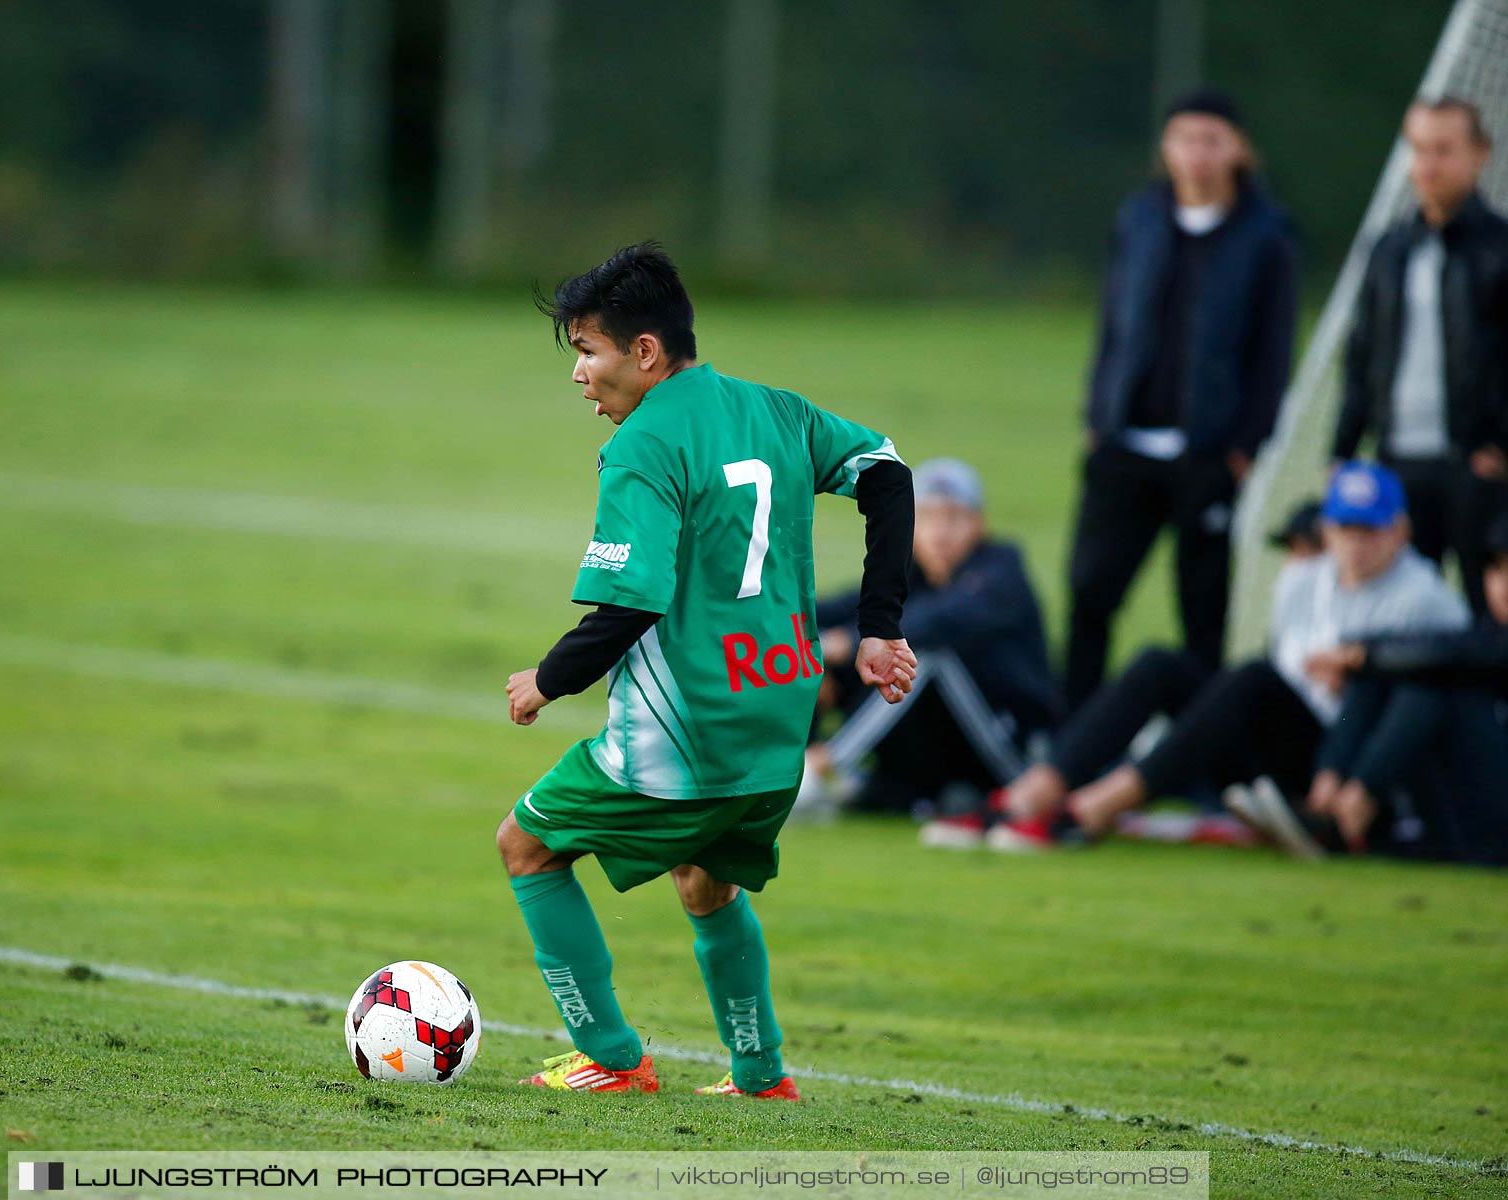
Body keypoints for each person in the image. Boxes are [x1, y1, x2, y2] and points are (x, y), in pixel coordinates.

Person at [496, 244, 917, 1099]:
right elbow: (888, 473)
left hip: (685, 732)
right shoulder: (776, 410)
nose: (580, 375)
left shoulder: (644, 445)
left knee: (528, 846)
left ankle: (611, 1058)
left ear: (644, 352)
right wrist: (878, 629)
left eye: (587, 351)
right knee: (704, 877)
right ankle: (760, 1075)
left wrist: (545, 679)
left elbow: (629, 606)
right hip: (775, 728)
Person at [983, 463, 1468, 852]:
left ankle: (1097, 807)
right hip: (1273, 744)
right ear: (1328, 527)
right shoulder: (1304, 580)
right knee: (1160, 666)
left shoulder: (1425, 600)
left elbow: (1433, 701)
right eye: (1346, 528)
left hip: (1345, 766)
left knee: (1253, 680)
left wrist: (1363, 675)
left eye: (1371, 530)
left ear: (1400, 531)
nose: (1357, 544)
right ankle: (1033, 791)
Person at [1065, 88, 1298, 711]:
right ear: (1166, 148)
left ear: (1239, 150)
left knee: (1203, 610)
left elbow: (1273, 352)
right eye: (1186, 139)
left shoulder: (1266, 235)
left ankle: (1199, 755)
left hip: (1208, 455)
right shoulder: (1139, 219)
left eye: (1212, 140)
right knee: (1090, 593)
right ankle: (1067, 741)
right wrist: (1098, 416)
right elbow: (1114, 325)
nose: (1198, 154)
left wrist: (1245, 445)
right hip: (1124, 444)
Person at [793, 457, 1058, 824]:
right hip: (948, 753)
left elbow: (936, 622)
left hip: (1017, 755)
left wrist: (848, 642)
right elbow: (835, 611)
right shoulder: (913, 576)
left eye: (954, 518)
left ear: (978, 526)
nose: (941, 532)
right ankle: (774, 768)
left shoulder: (1000, 572)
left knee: (921, 654)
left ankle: (817, 773)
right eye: (928, 517)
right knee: (814, 653)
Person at [1334, 96, 1508, 615]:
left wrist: (1500, 444)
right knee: (1402, 611)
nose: (1427, 165)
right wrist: (1341, 452)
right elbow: (1363, 355)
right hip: (1398, 462)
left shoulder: (1499, 248)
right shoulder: (1389, 248)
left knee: (1488, 612)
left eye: (1442, 150)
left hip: (1474, 465)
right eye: (1418, 149)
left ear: (1479, 154)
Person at [1298, 512, 1508, 864]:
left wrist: (1361, 655)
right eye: (1498, 570)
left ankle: (1355, 806)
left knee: (1429, 686)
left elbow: (1458, 654)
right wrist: (1361, 657)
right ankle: (1328, 789)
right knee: (1389, 676)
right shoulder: (1487, 630)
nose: (1503, 585)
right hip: (1471, 810)